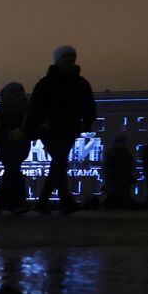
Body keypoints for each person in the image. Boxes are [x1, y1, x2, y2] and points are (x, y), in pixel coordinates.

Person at [30, 45, 96, 215]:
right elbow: (35, 106)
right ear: (58, 60)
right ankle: (64, 201)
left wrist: (87, 122)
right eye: (65, 57)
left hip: (68, 128)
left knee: (59, 162)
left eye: (71, 57)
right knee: (60, 160)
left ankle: (45, 201)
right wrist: (41, 122)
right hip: (49, 129)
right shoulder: (46, 83)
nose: (68, 60)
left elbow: (89, 105)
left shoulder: (80, 83)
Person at [0, 81, 33, 213]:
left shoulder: (1, 112)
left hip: (12, 147)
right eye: (14, 92)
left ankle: (3, 202)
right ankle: (14, 203)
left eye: (20, 91)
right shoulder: (26, 111)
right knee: (14, 173)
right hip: (12, 147)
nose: (18, 94)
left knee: (12, 172)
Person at [100, 135, 139, 209]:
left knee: (114, 199)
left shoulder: (109, 153)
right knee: (121, 200)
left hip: (112, 181)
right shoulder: (126, 154)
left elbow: (106, 167)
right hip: (122, 182)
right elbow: (129, 167)